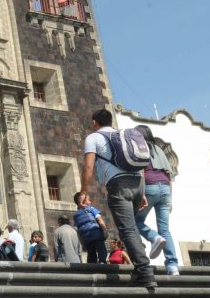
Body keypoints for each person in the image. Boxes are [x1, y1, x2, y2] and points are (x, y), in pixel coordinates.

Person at [80, 109, 156, 288]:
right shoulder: (124, 135)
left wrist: (84, 190)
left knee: (127, 230)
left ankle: (145, 271)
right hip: (137, 183)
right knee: (132, 228)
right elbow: (141, 164)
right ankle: (140, 268)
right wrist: (142, 192)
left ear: (94, 122)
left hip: (118, 185)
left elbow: (88, 165)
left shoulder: (94, 137)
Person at [132, 125, 178, 276]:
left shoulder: (140, 147)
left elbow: (141, 172)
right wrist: (170, 198)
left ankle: (153, 237)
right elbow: (169, 175)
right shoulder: (159, 150)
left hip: (150, 188)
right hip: (165, 189)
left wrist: (142, 193)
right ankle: (172, 266)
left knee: (135, 221)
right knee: (165, 228)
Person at [73, 191, 108, 264]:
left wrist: (82, 242)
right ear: (83, 202)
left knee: (91, 253)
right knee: (101, 249)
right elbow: (99, 219)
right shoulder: (91, 209)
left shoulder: (76, 215)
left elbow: (77, 230)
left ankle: (92, 266)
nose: (90, 201)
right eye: (88, 200)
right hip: (96, 233)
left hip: (86, 237)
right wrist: (104, 230)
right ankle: (102, 262)